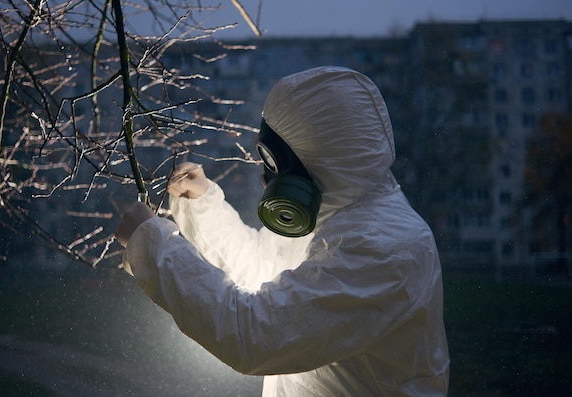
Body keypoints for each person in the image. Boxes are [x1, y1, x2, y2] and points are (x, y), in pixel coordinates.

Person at [115, 66, 450, 396]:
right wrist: (203, 206)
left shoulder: (385, 248)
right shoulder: (333, 214)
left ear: (319, 159)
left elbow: (255, 334)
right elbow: (262, 270)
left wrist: (153, 244)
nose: (266, 178)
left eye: (274, 162)